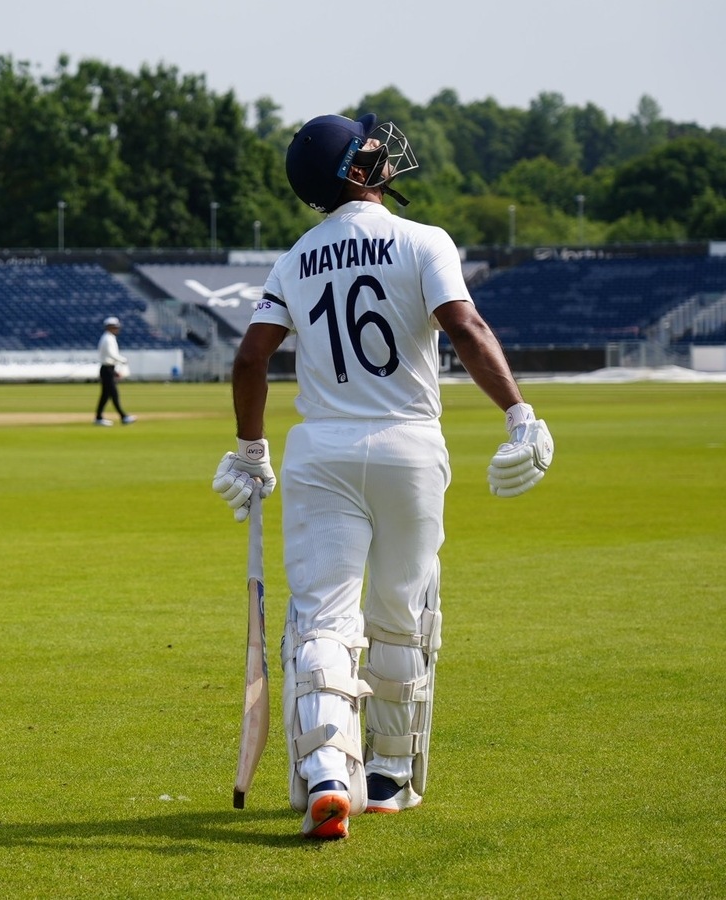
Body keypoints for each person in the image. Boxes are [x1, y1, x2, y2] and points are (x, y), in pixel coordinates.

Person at [210, 113, 554, 840]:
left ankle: (331, 772)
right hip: (409, 447)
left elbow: (249, 360)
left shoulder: (295, 258)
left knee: (322, 620)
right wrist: (519, 412)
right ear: (355, 174)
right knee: (402, 616)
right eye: (371, 151)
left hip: (321, 452)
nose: (384, 154)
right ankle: (391, 779)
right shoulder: (423, 240)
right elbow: (465, 327)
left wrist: (249, 450)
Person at [94, 316, 136, 426]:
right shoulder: (108, 338)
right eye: (115, 327)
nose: (117, 329)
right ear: (109, 327)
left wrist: (115, 370)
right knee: (113, 394)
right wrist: (123, 360)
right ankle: (123, 416)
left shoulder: (109, 337)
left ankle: (99, 418)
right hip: (107, 369)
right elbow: (111, 354)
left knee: (106, 395)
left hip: (109, 369)